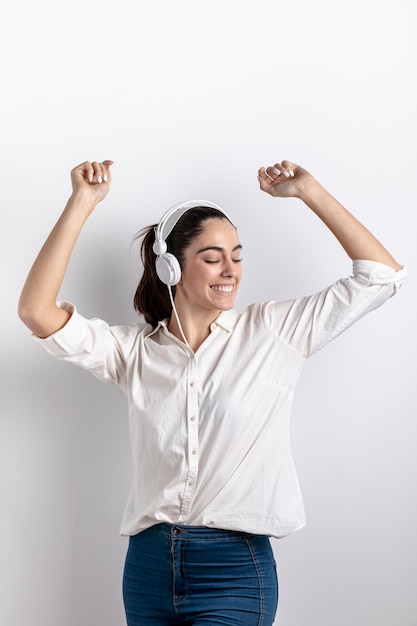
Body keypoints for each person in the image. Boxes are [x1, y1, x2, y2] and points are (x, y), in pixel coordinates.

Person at [18, 158, 406, 626]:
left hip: (235, 568)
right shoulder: (134, 352)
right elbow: (37, 311)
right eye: (212, 257)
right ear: (170, 267)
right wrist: (82, 202)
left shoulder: (275, 331)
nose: (230, 270)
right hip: (147, 567)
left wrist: (310, 192)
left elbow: (381, 275)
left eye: (237, 255)